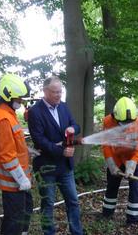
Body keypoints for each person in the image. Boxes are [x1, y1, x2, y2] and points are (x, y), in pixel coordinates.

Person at [27, 76, 83, 235]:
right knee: (47, 204)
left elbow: (76, 125)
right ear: (45, 91)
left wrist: (73, 128)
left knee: (73, 202)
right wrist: (61, 151)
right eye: (55, 92)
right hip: (46, 167)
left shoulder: (63, 107)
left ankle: (77, 232)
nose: (58, 95)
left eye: (60, 92)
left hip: (65, 166)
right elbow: (39, 140)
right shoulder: (34, 112)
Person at [0, 74, 33, 235]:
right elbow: (7, 155)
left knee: (26, 209)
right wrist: (22, 179)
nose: (21, 101)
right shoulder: (4, 119)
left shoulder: (5, 112)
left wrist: (30, 151)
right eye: (18, 98)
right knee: (15, 217)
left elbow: (14, 143)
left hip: (16, 177)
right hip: (13, 179)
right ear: (8, 96)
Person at [101, 96, 138, 225]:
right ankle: (107, 214)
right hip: (115, 158)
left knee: (134, 187)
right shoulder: (108, 122)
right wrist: (111, 165)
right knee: (112, 185)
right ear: (115, 115)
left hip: (133, 159)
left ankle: (132, 220)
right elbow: (106, 145)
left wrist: (131, 167)